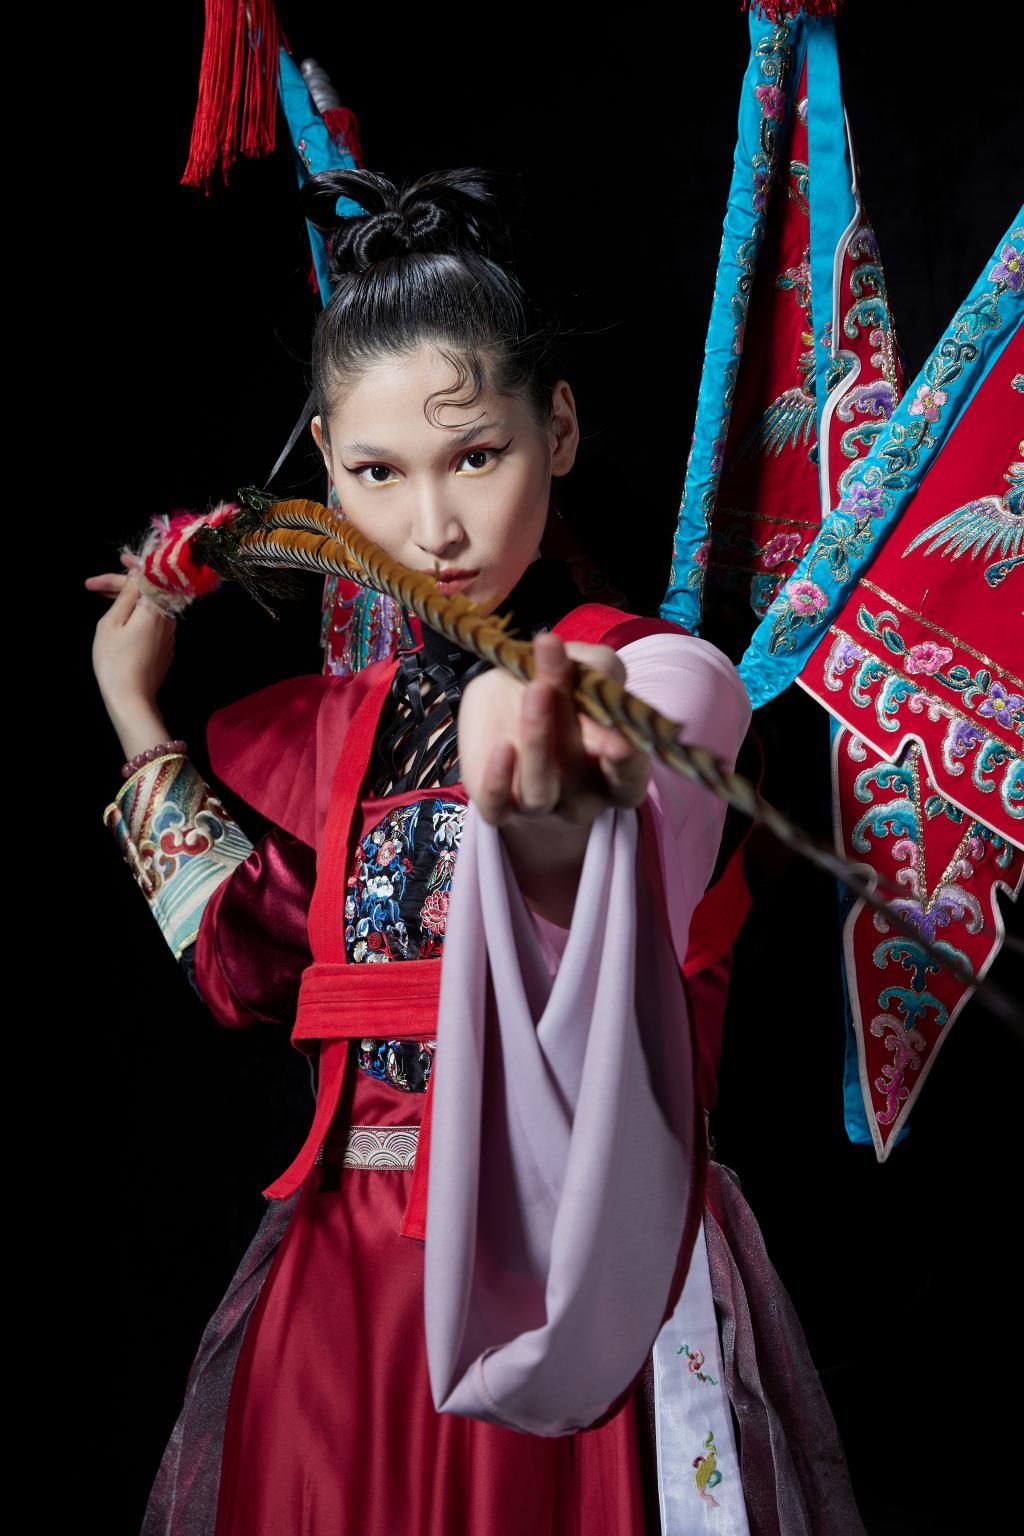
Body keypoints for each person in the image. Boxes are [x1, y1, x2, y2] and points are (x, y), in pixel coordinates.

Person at [89, 168, 867, 1535]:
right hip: (340, 1295)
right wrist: (135, 714)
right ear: (324, 463)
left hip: (569, 1277)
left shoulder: (653, 678)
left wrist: (559, 794)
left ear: (556, 429)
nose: (433, 528)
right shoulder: (344, 731)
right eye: (376, 473)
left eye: (475, 456)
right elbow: (246, 966)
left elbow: (639, 798)